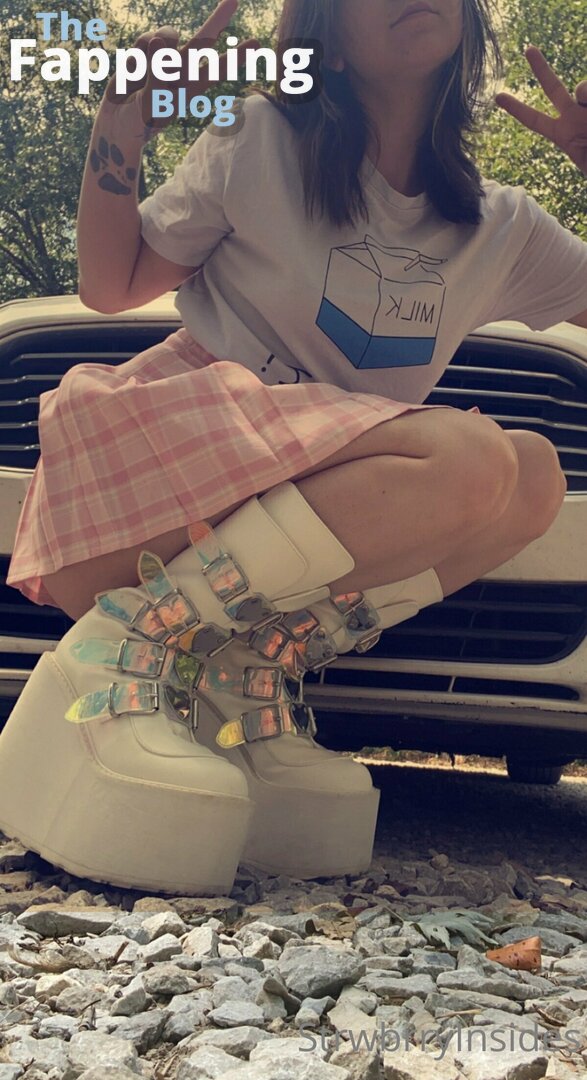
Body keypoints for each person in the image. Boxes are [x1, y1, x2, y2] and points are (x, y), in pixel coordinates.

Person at [1, 0, 586, 897]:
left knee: (534, 475)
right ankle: (123, 649)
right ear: (326, 43)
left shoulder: (499, 225)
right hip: (165, 484)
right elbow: (110, 286)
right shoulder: (259, 138)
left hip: (291, 511)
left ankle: (243, 675)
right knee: (472, 458)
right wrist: (122, 121)